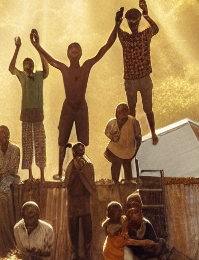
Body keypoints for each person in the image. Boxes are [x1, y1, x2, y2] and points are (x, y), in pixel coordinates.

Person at [30, 20, 117, 180]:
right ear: (68, 54)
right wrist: (37, 45)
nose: (74, 52)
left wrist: (116, 26)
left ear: (81, 53)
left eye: (77, 50)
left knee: (83, 141)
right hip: (68, 107)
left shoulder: (87, 66)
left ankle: (82, 169)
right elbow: (50, 60)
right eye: (71, 50)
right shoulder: (64, 68)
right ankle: (59, 171)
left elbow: (105, 48)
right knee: (62, 140)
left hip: (81, 107)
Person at [115, 0, 160, 146]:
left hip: (133, 79)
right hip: (142, 78)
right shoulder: (143, 36)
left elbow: (117, 32)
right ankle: (150, 133)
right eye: (132, 23)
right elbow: (155, 28)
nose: (133, 25)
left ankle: (137, 134)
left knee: (136, 109)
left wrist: (118, 21)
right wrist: (146, 15)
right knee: (144, 110)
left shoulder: (127, 39)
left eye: (133, 23)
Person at [9, 36, 49, 183]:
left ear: (32, 65)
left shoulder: (39, 75)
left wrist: (38, 47)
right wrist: (17, 48)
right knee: (27, 144)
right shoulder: (22, 77)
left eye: (29, 64)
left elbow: (46, 69)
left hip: (37, 113)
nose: (26, 67)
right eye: (25, 65)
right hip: (26, 113)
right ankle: (31, 175)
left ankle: (43, 175)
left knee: (40, 143)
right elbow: (11, 68)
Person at [123, 192, 166, 260]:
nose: (133, 212)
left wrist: (152, 246)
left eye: (136, 209)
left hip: (147, 256)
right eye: (130, 208)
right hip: (132, 256)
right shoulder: (125, 224)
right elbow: (128, 243)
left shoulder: (146, 224)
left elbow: (154, 243)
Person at [0, 126, 22, 256]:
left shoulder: (15, 149)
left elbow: (13, 170)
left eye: (6, 133)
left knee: (3, 196)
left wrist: (1, 179)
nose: (3, 136)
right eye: (0, 134)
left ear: (9, 134)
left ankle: (8, 242)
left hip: (11, 180)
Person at [64, 141, 97, 260]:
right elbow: (67, 183)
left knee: (87, 227)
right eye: (77, 153)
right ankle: (75, 253)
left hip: (84, 200)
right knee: (73, 227)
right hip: (73, 201)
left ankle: (87, 254)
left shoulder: (89, 165)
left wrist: (82, 170)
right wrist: (76, 171)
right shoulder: (70, 167)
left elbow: (90, 182)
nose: (79, 156)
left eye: (81, 153)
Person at [104, 102, 142, 184]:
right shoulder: (112, 122)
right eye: (120, 112)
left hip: (128, 149)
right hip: (115, 149)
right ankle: (115, 181)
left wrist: (136, 149)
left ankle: (128, 180)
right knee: (116, 163)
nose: (122, 114)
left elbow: (138, 136)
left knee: (127, 164)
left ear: (128, 112)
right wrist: (113, 136)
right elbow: (107, 132)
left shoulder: (133, 122)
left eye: (124, 111)